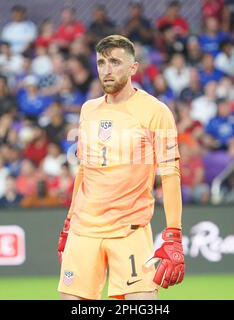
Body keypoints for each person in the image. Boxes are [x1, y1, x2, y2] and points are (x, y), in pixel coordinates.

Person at [57, 35, 184, 300]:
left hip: (130, 231)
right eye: (101, 62)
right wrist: (68, 222)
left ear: (133, 67)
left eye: (115, 62)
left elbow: (170, 174)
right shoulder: (88, 110)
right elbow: (84, 169)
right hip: (84, 231)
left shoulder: (155, 111)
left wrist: (173, 233)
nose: (107, 69)